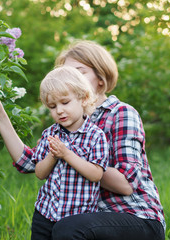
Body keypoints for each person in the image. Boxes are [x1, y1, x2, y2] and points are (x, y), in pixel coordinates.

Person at [0, 40, 165, 240]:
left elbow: (126, 184)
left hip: (133, 216)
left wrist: (69, 157)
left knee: (68, 228)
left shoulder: (120, 113)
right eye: (65, 73)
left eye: (79, 72)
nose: (69, 79)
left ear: (101, 78)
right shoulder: (64, 122)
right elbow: (30, 163)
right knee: (55, 225)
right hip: (86, 216)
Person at [30, 66, 108, 240]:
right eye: (52, 106)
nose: (59, 111)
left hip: (77, 217)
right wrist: (53, 155)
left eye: (65, 103)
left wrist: (66, 154)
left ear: (84, 98)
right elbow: (40, 173)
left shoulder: (96, 136)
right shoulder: (49, 134)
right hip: (45, 213)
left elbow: (96, 174)